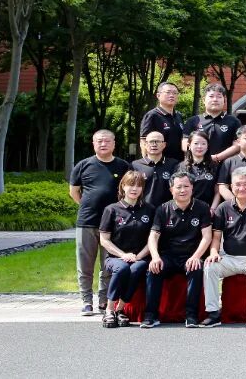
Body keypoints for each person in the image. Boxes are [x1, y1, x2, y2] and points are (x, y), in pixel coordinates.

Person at [199, 167, 246, 329]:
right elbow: (216, 237)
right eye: (238, 184)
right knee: (210, 266)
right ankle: (213, 313)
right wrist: (213, 252)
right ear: (232, 187)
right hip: (229, 258)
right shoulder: (223, 208)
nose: (242, 188)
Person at [70, 129, 131, 316]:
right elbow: (74, 192)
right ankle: (86, 301)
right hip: (87, 222)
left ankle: (104, 300)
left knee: (108, 266)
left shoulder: (123, 166)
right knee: (85, 265)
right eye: (99, 141)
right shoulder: (83, 165)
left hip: (113, 224)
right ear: (93, 144)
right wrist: (87, 205)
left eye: (107, 141)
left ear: (114, 144)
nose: (103, 144)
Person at [144, 172, 212, 328]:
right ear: (171, 189)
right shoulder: (163, 209)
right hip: (168, 255)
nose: (183, 190)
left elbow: (207, 236)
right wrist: (155, 257)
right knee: (153, 269)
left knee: (196, 269)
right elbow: (153, 236)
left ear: (192, 188)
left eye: (186, 186)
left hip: (191, 255)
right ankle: (150, 316)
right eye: (178, 187)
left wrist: (196, 256)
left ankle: (191, 316)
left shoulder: (202, 207)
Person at [98, 171, 155, 328]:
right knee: (122, 268)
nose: (134, 189)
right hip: (115, 257)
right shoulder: (111, 209)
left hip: (140, 257)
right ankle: (109, 310)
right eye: (130, 185)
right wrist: (123, 255)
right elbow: (104, 240)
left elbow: (153, 239)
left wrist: (138, 256)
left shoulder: (149, 210)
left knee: (136, 268)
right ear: (123, 186)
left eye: (138, 185)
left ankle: (120, 309)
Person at [181, 83, 241, 163]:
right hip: (197, 164)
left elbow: (238, 145)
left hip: (226, 165)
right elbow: (185, 143)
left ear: (224, 101)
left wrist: (217, 157)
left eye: (219, 97)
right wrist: (200, 155)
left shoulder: (234, 121)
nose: (215, 99)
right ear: (203, 100)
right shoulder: (193, 121)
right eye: (211, 96)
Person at [139, 81, 184, 161]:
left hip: (179, 163)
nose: (171, 95)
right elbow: (144, 141)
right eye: (168, 92)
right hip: (160, 163)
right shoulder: (152, 115)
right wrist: (148, 162)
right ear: (158, 95)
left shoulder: (178, 116)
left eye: (175, 93)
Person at [180, 131, 219, 209]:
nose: (199, 146)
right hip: (186, 209)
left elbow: (217, 192)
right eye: (196, 143)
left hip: (208, 210)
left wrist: (213, 209)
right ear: (189, 146)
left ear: (207, 147)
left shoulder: (215, 166)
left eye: (203, 144)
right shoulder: (180, 167)